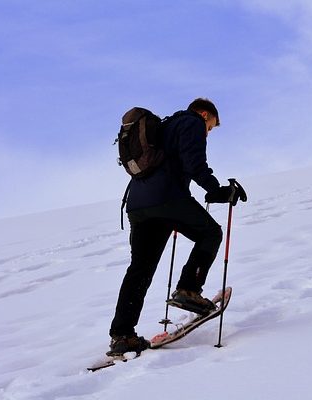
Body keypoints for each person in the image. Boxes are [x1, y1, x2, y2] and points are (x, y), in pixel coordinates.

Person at [107, 98, 245, 356]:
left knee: (140, 270)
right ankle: (189, 290)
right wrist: (216, 190)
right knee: (211, 233)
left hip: (138, 206)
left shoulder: (164, 126)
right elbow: (194, 162)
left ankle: (122, 335)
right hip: (168, 199)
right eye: (211, 127)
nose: (209, 132)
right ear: (205, 114)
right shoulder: (191, 122)